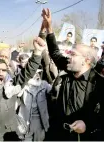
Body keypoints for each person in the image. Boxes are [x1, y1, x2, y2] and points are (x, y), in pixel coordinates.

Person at [42, 8, 104, 141]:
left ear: (86, 60)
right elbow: (55, 52)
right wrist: (49, 27)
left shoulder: (99, 83)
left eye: (73, 54)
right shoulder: (69, 69)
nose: (68, 56)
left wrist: (87, 125)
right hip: (58, 134)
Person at [0, 36, 46, 141]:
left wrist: (38, 52)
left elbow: (28, 71)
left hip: (9, 135)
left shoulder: (12, 84)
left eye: (3, 70)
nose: (1, 73)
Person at [17, 69, 51, 141]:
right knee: (26, 139)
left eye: (38, 73)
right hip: (25, 119)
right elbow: (18, 94)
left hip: (40, 120)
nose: (37, 75)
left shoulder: (44, 84)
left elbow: (53, 91)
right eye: (35, 73)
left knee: (39, 139)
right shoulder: (24, 85)